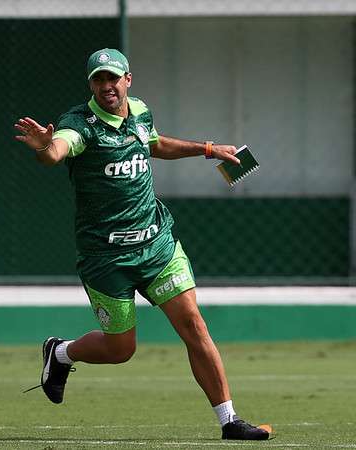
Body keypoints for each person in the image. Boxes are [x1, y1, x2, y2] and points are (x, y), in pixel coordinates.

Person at [14, 48, 269, 441]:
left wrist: (206, 149)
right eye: (98, 80)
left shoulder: (138, 110)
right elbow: (58, 151)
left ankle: (229, 420)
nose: (106, 86)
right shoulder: (78, 124)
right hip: (105, 257)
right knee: (121, 350)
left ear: (127, 79)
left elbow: (153, 143)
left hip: (157, 245)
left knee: (193, 325)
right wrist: (46, 146)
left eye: (112, 78)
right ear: (91, 85)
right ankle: (61, 352)